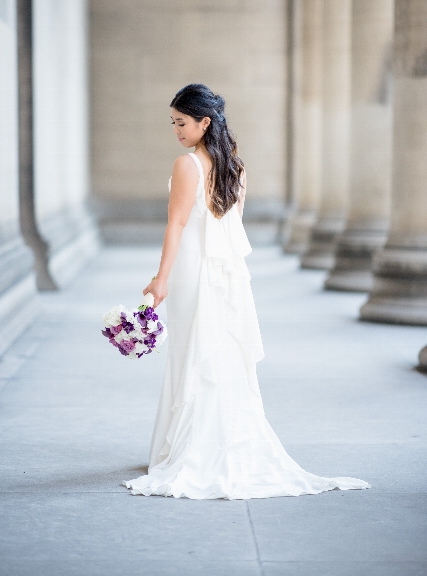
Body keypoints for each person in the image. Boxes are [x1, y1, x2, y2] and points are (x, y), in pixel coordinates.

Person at [124, 83, 369, 500]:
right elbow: (230, 226)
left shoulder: (187, 165)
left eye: (181, 123)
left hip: (195, 270)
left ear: (204, 122)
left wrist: (160, 278)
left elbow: (178, 225)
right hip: (227, 274)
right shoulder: (236, 166)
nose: (176, 131)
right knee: (219, 352)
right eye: (172, 123)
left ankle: (191, 448)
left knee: (194, 352)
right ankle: (211, 441)